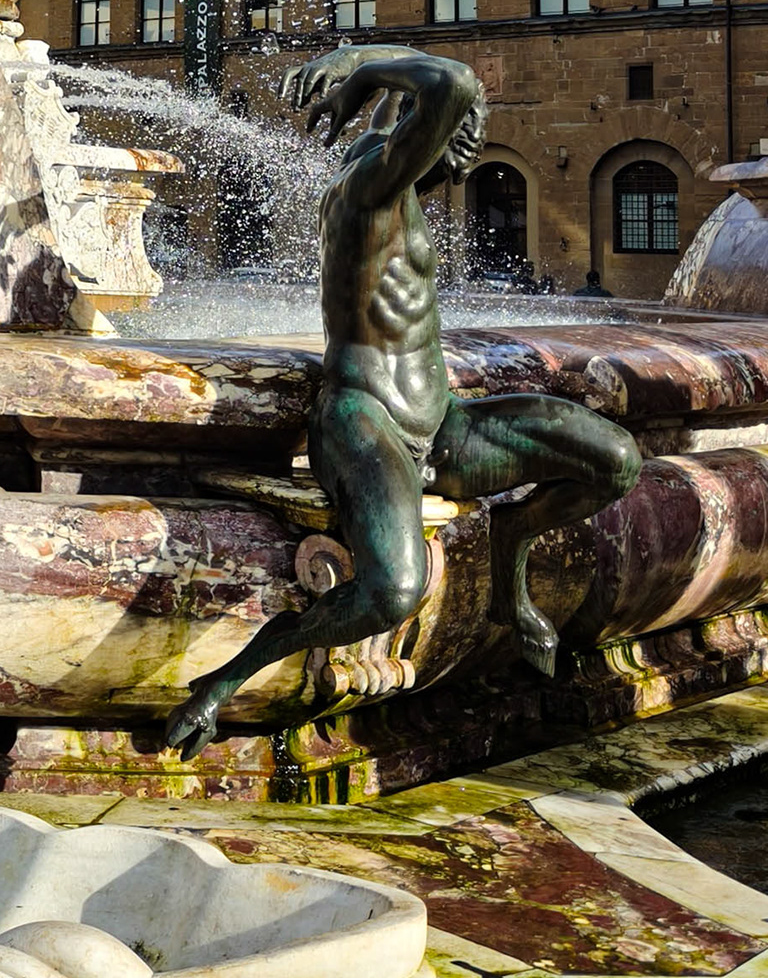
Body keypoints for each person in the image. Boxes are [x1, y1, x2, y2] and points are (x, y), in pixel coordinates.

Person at [162, 46, 641, 759]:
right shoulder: (371, 190)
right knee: (393, 592)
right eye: (463, 133)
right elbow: (454, 82)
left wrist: (378, 73)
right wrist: (362, 65)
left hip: (441, 424)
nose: (471, 151)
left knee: (616, 460)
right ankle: (223, 680)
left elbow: (437, 98)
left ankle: (511, 541)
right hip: (367, 419)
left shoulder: (395, 185)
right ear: (424, 131)